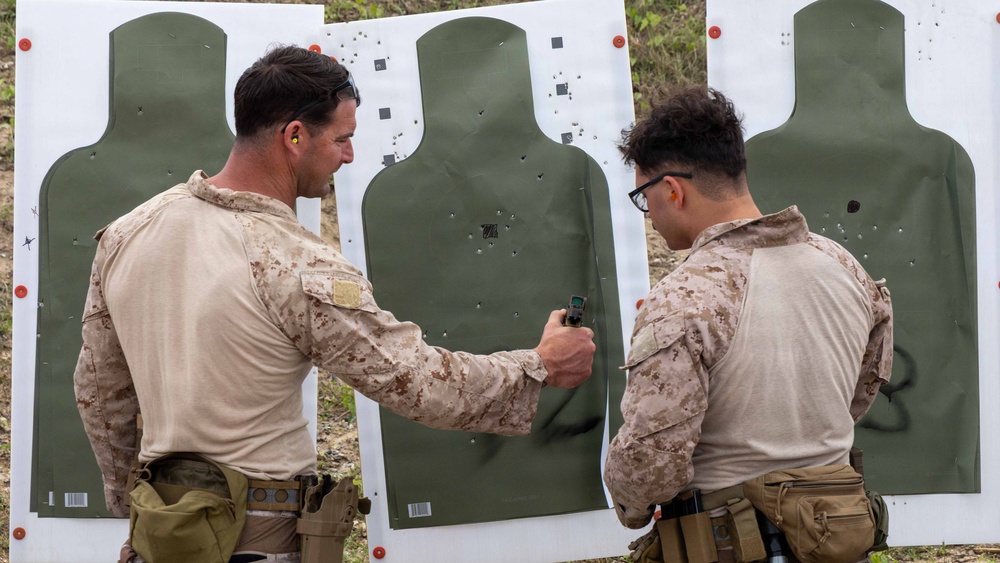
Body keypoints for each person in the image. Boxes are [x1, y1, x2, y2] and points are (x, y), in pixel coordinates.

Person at [73, 45, 596, 562]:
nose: (349, 155)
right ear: (295, 136)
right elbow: (418, 384)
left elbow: (98, 393)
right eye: (342, 139)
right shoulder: (293, 261)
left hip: (157, 533)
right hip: (254, 541)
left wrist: (138, 505)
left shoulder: (127, 233)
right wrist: (539, 365)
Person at [603, 88, 893, 559]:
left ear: (673, 191)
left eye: (644, 196)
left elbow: (649, 466)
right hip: (837, 536)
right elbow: (859, 393)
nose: (648, 214)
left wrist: (629, 504)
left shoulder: (683, 298)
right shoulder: (845, 268)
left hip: (733, 543)